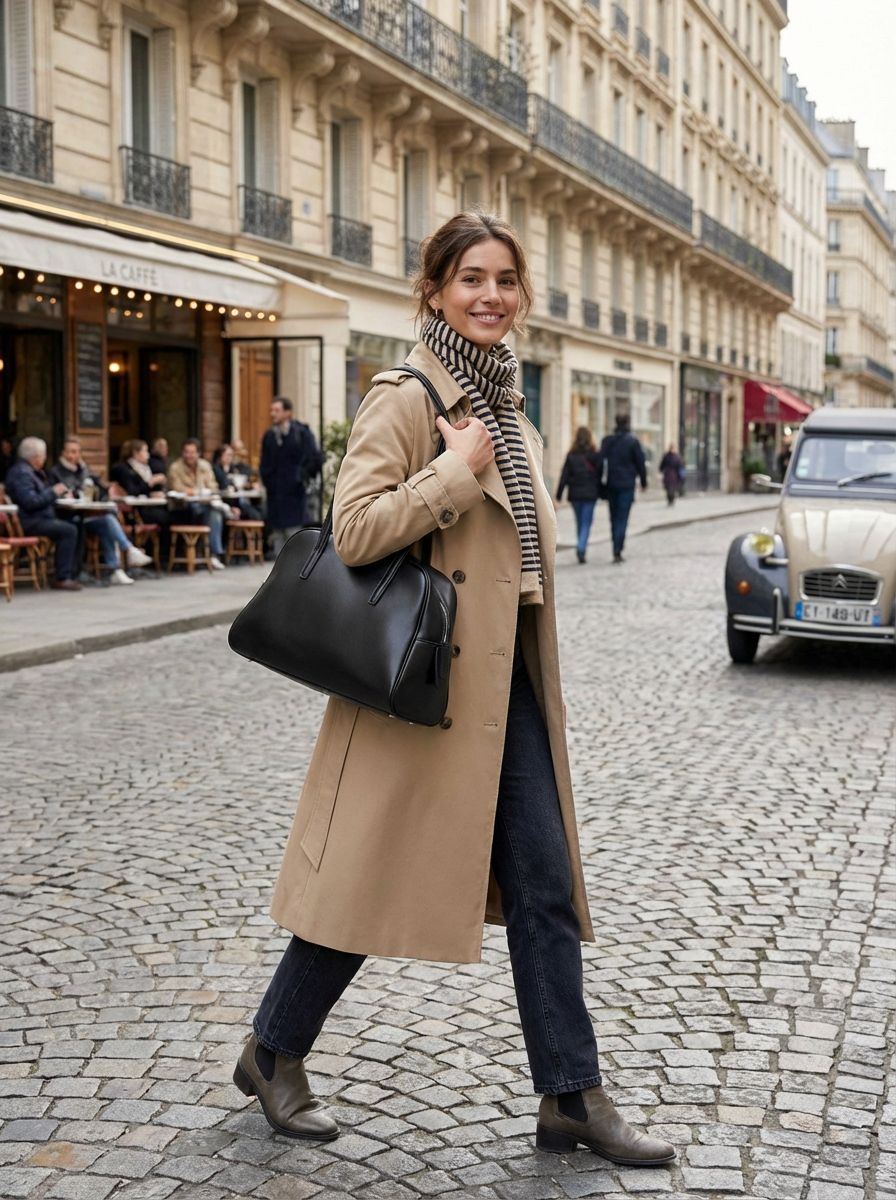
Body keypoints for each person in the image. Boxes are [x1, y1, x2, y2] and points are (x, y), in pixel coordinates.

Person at [233, 211, 675, 1170]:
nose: (491, 295)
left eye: (506, 280)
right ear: (432, 291)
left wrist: (481, 458)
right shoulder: (406, 396)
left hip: (500, 689)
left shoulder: (510, 407)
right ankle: (272, 1050)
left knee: (546, 886)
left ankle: (570, 1094)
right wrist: (451, 471)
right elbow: (351, 533)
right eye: (470, 278)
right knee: (365, 884)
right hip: (416, 688)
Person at [49, 438, 151, 585]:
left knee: (107, 521)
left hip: (86, 514)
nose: (75, 455)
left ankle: (115, 568)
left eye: (77, 452)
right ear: (63, 453)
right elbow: (58, 494)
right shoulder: (56, 472)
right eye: (71, 451)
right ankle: (127, 551)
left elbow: (101, 489)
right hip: (67, 516)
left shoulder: (83, 470)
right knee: (83, 524)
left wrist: (99, 487)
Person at [5, 437, 81, 590]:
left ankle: (74, 572)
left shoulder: (32, 472)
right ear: (36, 456)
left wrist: (59, 495)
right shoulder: (22, 474)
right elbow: (30, 502)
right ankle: (62, 577)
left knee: (76, 521)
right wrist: (53, 492)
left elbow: (41, 496)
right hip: (29, 520)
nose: (45, 459)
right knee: (69, 530)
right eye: (43, 455)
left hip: (39, 517)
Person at [260, 397, 323, 556]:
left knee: (295, 538)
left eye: (277, 410)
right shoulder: (269, 436)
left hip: (295, 495)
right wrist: (268, 481)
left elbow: (315, 459)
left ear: (288, 413)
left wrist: (300, 478)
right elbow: (264, 463)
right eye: (271, 410)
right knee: (278, 540)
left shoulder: (302, 433)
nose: (272, 414)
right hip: (275, 496)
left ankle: (295, 578)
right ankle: (280, 578)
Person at [167, 438, 237, 570]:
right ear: (182, 453)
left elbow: (213, 486)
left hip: (205, 504)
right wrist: (196, 491)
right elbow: (177, 488)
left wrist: (206, 491)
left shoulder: (205, 466)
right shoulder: (175, 468)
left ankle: (214, 555)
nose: (189, 455)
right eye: (187, 452)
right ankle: (214, 554)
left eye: (192, 452)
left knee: (214, 512)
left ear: (198, 453)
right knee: (214, 510)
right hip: (183, 507)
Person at [600, 414, 647, 564]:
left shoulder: (608, 441)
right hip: (626, 485)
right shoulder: (632, 442)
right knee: (622, 518)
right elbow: (641, 463)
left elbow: (600, 462)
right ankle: (617, 549)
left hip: (612, 484)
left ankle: (616, 546)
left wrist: (600, 483)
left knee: (614, 518)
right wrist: (644, 482)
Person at [556, 426, 602, 564]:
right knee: (586, 523)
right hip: (590, 494)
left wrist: (558, 495)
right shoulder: (594, 454)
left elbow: (564, 476)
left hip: (575, 494)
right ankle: (581, 548)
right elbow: (600, 475)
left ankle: (580, 546)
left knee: (580, 522)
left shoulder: (571, 455)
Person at [212, 445, 263, 521]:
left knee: (259, 510)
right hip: (224, 502)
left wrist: (251, 486)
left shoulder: (233, 468)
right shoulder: (215, 469)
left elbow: (242, 482)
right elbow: (223, 485)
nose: (230, 458)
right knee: (253, 513)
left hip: (237, 501)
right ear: (220, 456)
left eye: (231, 455)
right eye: (228, 455)